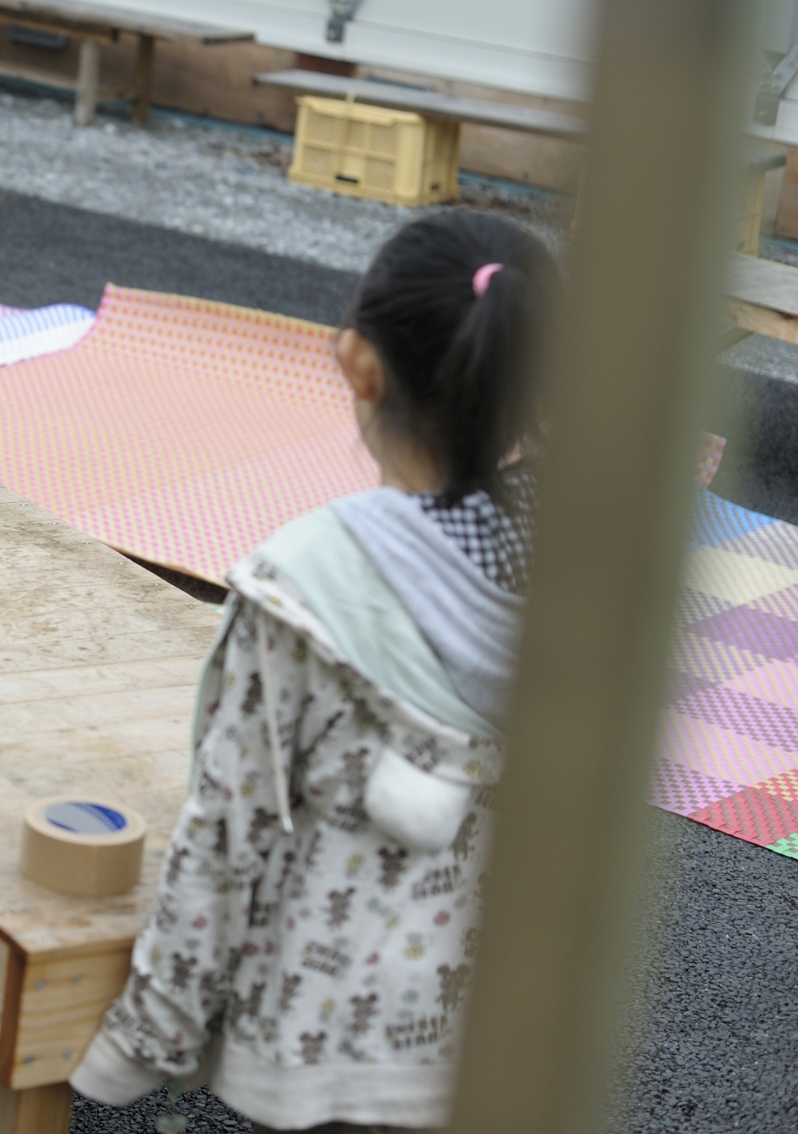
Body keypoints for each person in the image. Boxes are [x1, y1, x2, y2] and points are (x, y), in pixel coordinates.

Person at [70, 209, 561, 1130]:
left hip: (337, 1040)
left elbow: (230, 831)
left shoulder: (303, 582)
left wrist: (148, 1037)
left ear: (356, 363)